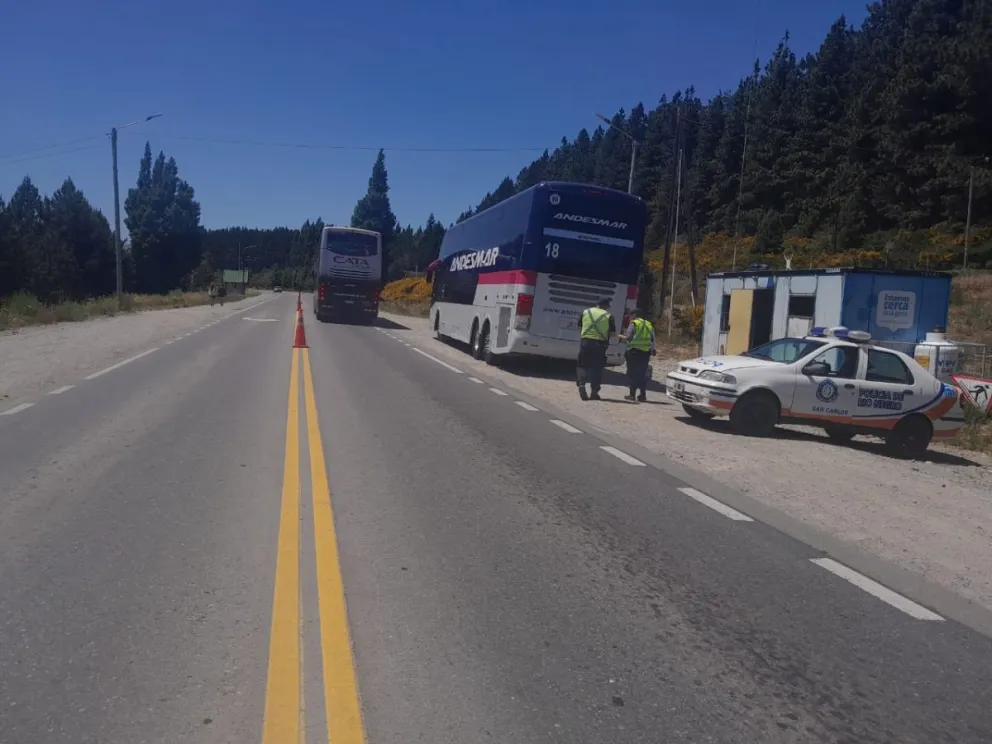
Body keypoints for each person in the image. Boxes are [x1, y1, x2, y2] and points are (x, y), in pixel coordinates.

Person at [576, 298, 615, 401]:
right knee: (597, 368)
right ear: (606, 306)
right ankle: (594, 392)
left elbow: (579, 327)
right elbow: (612, 334)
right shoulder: (608, 316)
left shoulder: (586, 312)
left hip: (586, 342)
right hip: (600, 345)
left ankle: (581, 384)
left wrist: (584, 335)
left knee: (582, 365)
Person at [622, 308, 656, 402]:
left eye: (629, 316)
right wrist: (653, 349)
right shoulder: (649, 324)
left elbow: (628, 337)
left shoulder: (634, 323)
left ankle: (632, 395)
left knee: (632, 373)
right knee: (642, 373)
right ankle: (642, 395)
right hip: (645, 353)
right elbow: (652, 338)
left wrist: (621, 337)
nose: (629, 318)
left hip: (634, 352)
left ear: (634, 315)